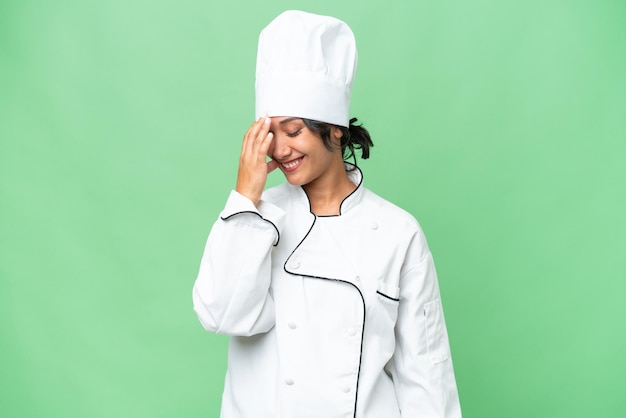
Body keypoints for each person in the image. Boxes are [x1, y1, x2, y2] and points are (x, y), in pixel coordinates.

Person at [193, 10, 461, 418]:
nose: (280, 149)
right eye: (270, 133)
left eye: (294, 130)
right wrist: (246, 198)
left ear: (335, 128)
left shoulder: (397, 232)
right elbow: (220, 313)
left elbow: (425, 372)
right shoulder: (255, 220)